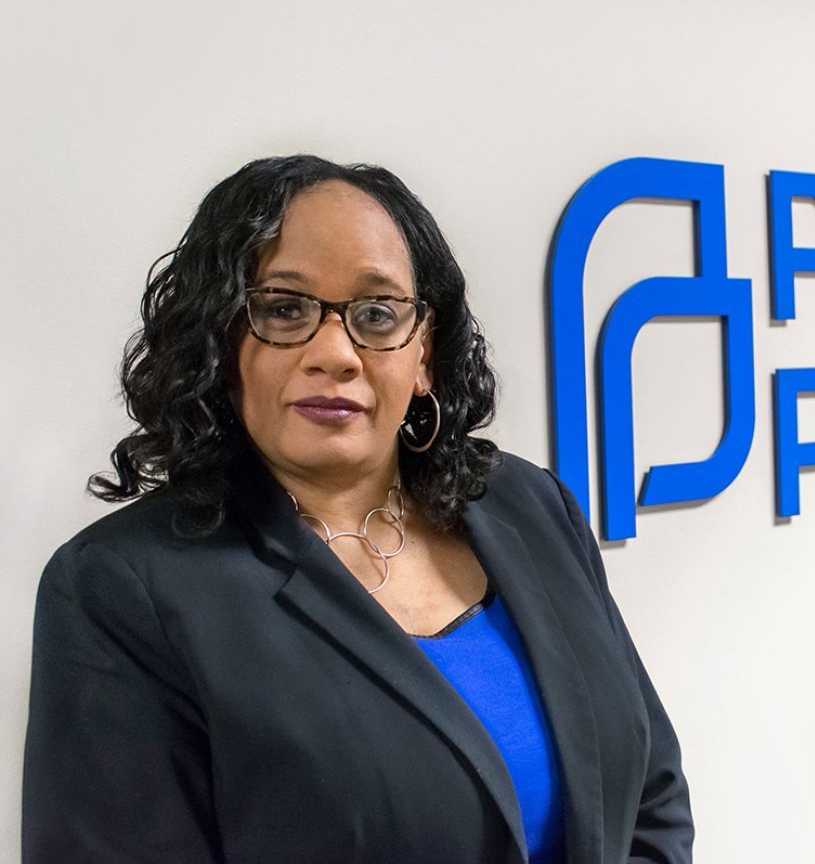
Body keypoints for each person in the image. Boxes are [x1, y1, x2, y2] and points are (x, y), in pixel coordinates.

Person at [22, 154, 693, 863]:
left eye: (377, 313)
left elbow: (650, 796)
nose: (335, 352)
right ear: (221, 340)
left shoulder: (531, 507)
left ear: (424, 351)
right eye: (284, 309)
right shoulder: (124, 590)